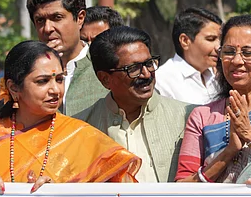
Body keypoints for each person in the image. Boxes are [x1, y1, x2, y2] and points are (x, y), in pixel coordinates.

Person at [0, 41, 140, 196]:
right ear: (13, 88)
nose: (55, 90)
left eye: (59, 79)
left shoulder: (81, 136)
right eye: (42, 81)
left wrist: (61, 196)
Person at [176, 14, 251, 183]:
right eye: (229, 52)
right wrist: (229, 151)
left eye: (247, 52)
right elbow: (182, 185)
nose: (237, 60)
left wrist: (250, 135)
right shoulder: (202, 116)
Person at [75, 26, 194, 182]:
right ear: (105, 79)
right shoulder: (81, 129)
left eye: (149, 63)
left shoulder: (187, 117)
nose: (146, 74)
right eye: (134, 68)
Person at [28, 0, 107, 117]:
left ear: (80, 18)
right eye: (40, 20)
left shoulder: (106, 67)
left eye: (57, 18)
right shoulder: (27, 72)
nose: (47, 28)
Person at [155, 8, 223, 106]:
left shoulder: (216, 76)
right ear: (185, 41)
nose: (218, 47)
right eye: (211, 39)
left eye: (220, 40)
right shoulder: (162, 81)